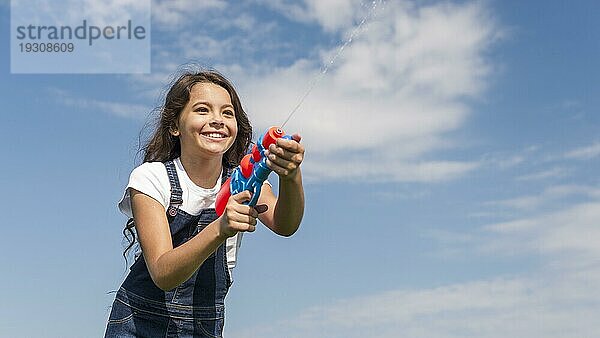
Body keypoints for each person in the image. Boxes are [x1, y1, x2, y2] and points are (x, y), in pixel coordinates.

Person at [104, 69, 305, 337]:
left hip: (203, 327)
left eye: (227, 113)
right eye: (202, 110)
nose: (217, 120)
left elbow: (285, 224)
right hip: (139, 325)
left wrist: (291, 176)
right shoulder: (152, 178)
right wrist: (220, 228)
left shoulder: (243, 179)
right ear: (175, 125)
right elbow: (164, 274)